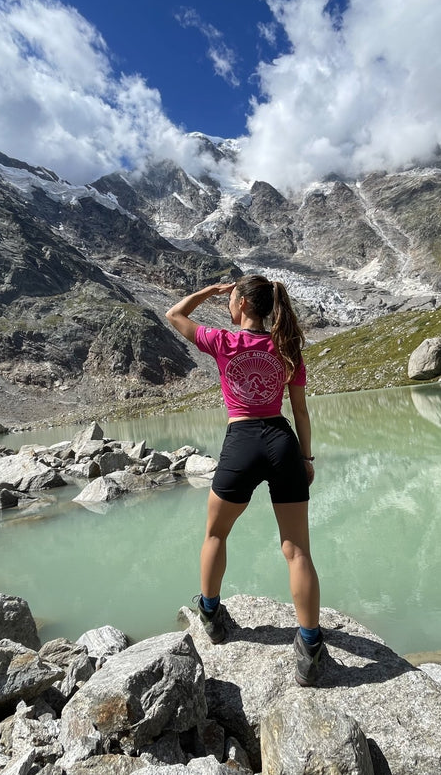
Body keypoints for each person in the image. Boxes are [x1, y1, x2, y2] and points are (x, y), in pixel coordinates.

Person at [166, 275, 324, 686]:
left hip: (242, 443)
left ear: (239, 304)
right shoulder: (286, 347)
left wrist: (209, 292)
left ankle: (211, 614)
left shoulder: (223, 342)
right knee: (297, 550)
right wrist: (306, 457)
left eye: (232, 298)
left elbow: (175, 315)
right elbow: (302, 412)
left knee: (216, 534)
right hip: (282, 441)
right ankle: (310, 646)